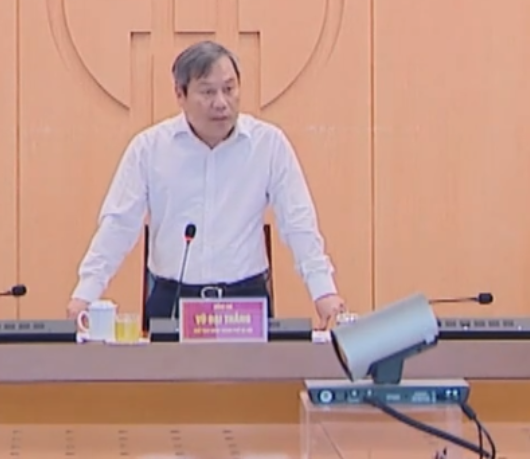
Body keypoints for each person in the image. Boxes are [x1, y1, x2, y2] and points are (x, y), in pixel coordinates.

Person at [66, 40, 348, 327]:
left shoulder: (268, 144)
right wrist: (86, 293)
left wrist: (323, 291)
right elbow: (119, 224)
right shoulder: (149, 148)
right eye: (208, 92)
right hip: (173, 298)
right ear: (180, 94)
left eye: (229, 89)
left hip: (244, 301)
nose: (221, 102)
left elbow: (298, 222)